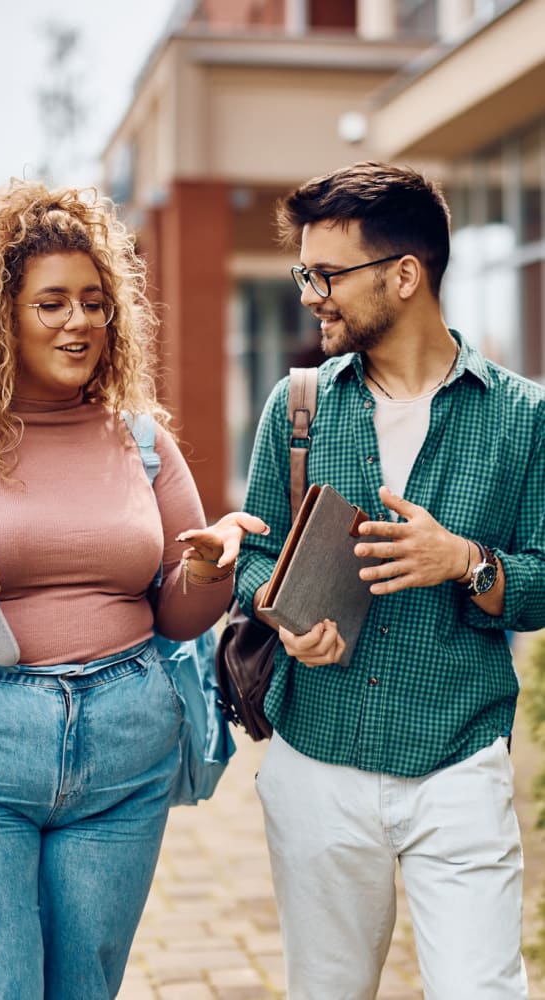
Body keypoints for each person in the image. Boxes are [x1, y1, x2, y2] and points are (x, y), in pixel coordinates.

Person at [0, 179, 266, 999]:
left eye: (95, 302)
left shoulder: (141, 442)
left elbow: (176, 614)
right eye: (52, 303)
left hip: (122, 754)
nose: (80, 322)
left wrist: (211, 570)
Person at [235, 160, 545, 999]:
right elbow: (256, 552)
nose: (311, 294)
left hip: (458, 762)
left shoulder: (526, 416)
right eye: (306, 273)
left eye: (328, 274)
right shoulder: (296, 406)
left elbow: (544, 576)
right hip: (317, 761)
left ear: (406, 275)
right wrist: (280, 607)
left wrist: (469, 563)